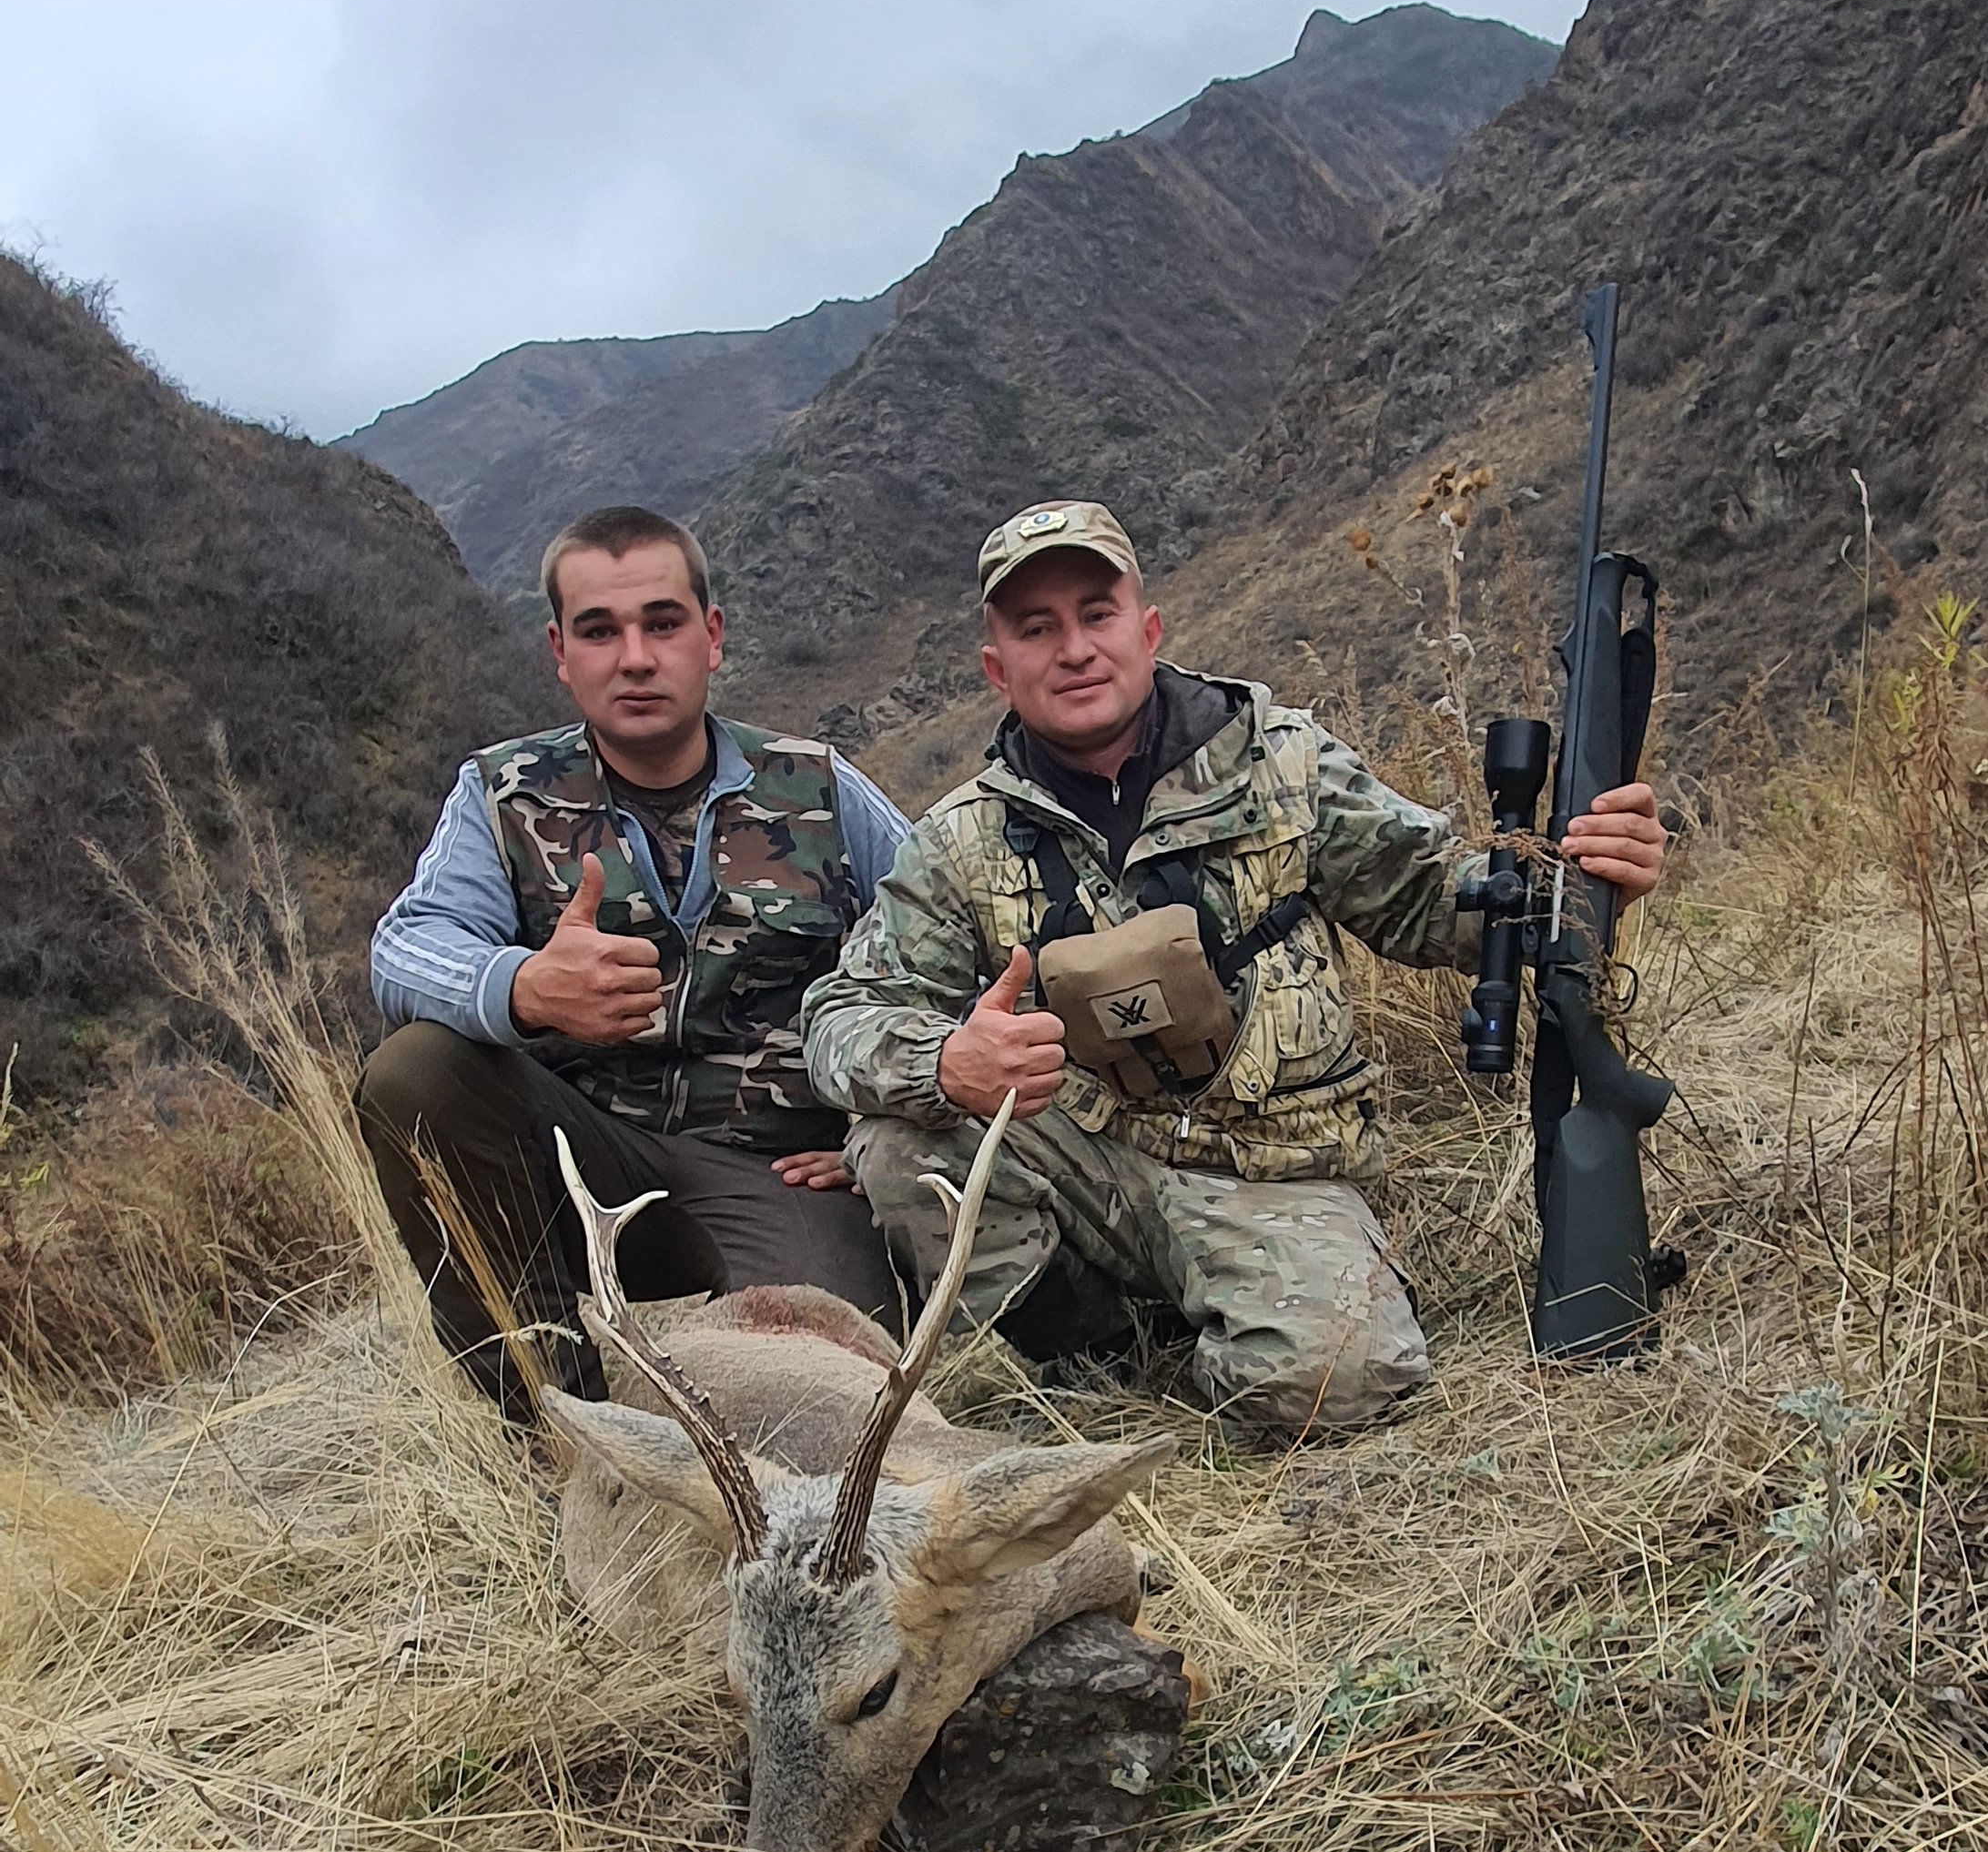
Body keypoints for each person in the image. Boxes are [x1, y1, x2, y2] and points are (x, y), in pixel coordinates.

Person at [801, 498, 1668, 1442]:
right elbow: (843, 1013)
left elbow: (1427, 900)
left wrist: (1577, 879)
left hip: (1273, 1167)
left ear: (1148, 627)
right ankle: (1087, 1362)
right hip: (1089, 1155)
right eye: (1035, 629)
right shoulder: (958, 839)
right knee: (899, 1147)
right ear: (996, 668)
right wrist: (946, 1064)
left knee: (1338, 1384)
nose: (1075, 649)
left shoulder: (1281, 763)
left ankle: (1247, 1315)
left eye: (1097, 614)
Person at [360, 504, 908, 1405]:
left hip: (782, 1170)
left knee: (817, 1400)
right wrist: (523, 985)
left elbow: (952, 953)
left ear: (712, 636)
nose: (636, 657)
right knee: (415, 1072)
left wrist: (888, 1137)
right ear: (560, 653)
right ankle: (553, 1426)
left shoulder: (822, 789)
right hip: (585, 1161)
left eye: (662, 623)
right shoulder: (501, 795)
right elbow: (404, 950)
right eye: (600, 631)